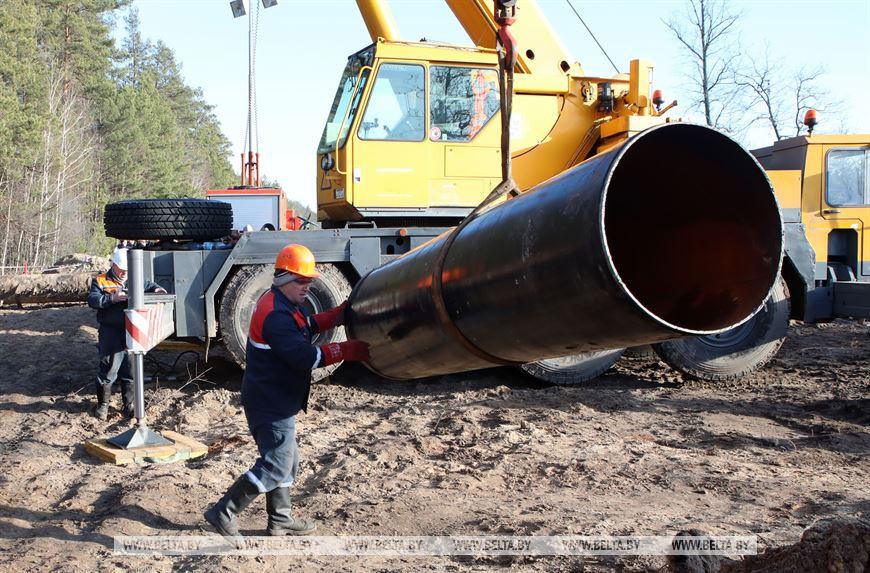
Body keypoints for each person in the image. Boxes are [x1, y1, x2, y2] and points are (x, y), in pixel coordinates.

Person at [205, 244, 370, 539]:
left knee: (287, 459)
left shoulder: (282, 303)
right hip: (270, 402)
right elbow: (304, 357)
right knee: (276, 463)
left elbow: (303, 326)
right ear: (283, 279)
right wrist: (346, 349)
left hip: (276, 398)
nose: (308, 286)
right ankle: (224, 511)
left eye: (310, 281)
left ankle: (280, 519)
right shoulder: (275, 315)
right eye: (302, 281)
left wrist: (333, 316)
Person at [87, 247, 166, 420]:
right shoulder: (101, 281)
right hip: (111, 331)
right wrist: (111, 299)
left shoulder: (133, 278)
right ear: (113, 265)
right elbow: (93, 300)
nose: (124, 273)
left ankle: (129, 405)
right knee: (109, 368)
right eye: (121, 269)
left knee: (130, 370)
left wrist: (157, 289)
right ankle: (103, 406)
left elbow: (150, 285)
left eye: (127, 270)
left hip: (130, 330)